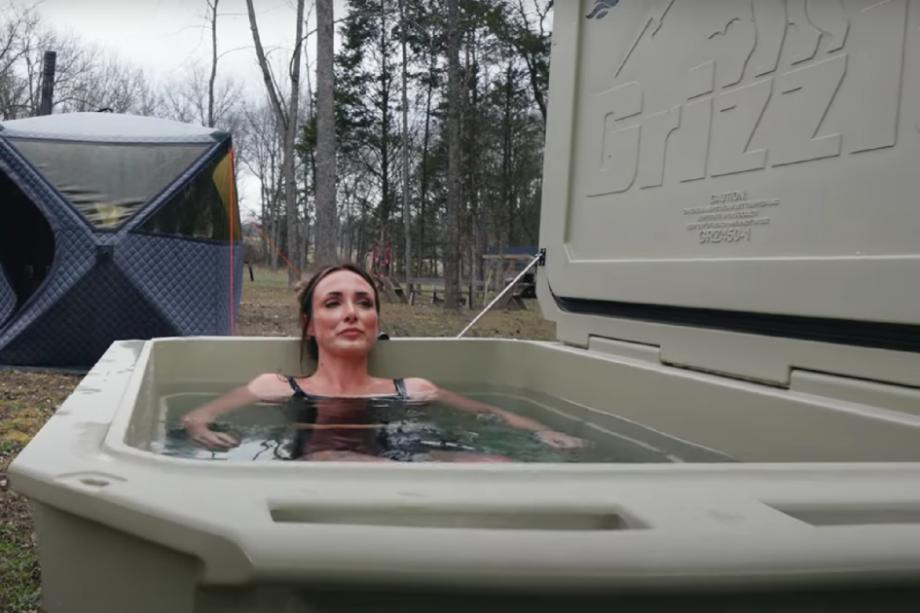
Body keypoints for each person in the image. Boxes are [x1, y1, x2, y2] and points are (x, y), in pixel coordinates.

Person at [182, 263, 584, 462]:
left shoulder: (413, 390)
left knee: (499, 464)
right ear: (309, 325)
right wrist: (202, 429)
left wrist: (544, 433)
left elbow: (494, 416)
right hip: (316, 476)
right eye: (333, 303)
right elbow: (197, 417)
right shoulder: (277, 387)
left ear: (376, 321)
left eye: (364, 302)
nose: (352, 313)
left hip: (403, 463)